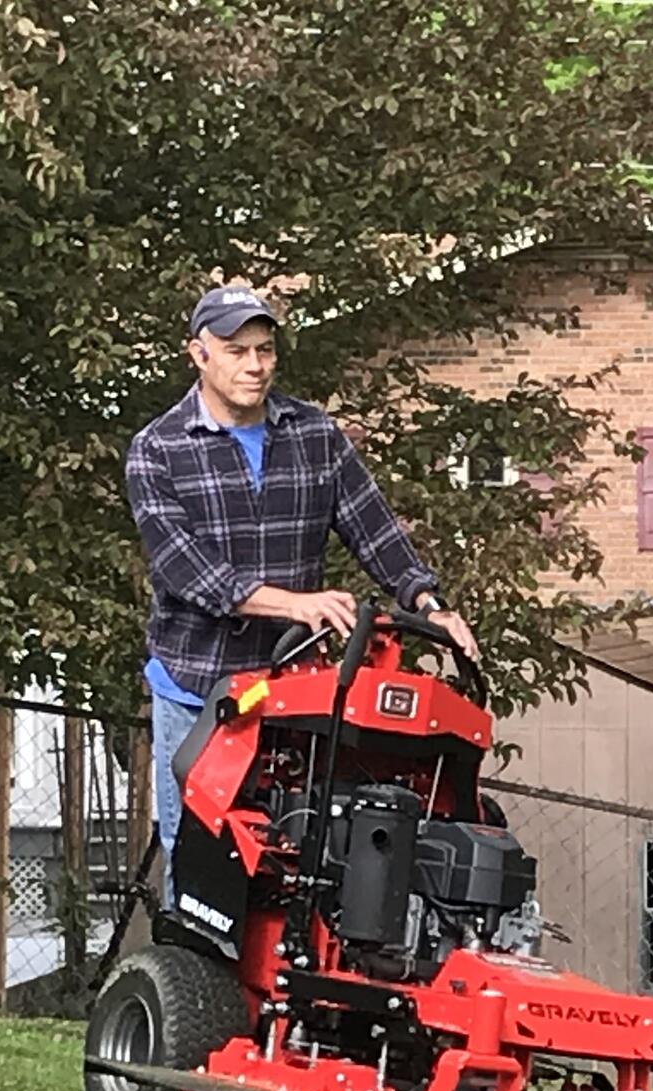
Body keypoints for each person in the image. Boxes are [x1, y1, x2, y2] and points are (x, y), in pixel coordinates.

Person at [125, 284, 477, 901]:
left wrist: (429, 604)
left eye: (264, 350)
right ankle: (195, 990)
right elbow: (185, 569)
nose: (254, 365)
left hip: (292, 692)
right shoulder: (158, 451)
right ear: (199, 355)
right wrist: (294, 603)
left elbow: (375, 529)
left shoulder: (314, 435)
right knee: (202, 862)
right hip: (197, 689)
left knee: (298, 851)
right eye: (237, 351)